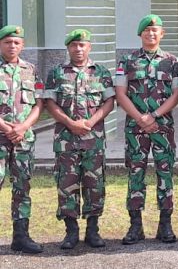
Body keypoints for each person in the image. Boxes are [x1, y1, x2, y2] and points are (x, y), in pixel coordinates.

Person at [115, 14, 178, 245]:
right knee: (136, 174)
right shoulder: (127, 61)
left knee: (165, 174)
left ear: (162, 34)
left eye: (155, 30)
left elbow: (177, 95)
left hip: (163, 127)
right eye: (147, 30)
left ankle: (165, 224)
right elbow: (120, 94)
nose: (151, 34)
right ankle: (135, 226)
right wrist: (141, 118)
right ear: (140, 34)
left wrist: (153, 116)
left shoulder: (172, 62)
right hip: (135, 129)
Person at [44, 29, 115, 249]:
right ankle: (71, 232)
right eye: (74, 45)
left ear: (89, 47)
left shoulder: (101, 72)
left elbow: (109, 102)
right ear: (68, 48)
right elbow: (50, 103)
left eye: (82, 45)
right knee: (67, 184)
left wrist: (91, 122)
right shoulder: (56, 73)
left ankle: (93, 230)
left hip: (94, 139)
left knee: (95, 184)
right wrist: (71, 123)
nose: (78, 49)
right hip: (66, 140)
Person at [0, 25, 44, 254]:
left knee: (22, 187)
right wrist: (6, 127)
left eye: (16, 42)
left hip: (23, 140)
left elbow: (39, 104)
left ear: (23, 45)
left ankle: (21, 237)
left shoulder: (31, 70)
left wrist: (24, 127)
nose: (12, 46)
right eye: (7, 42)